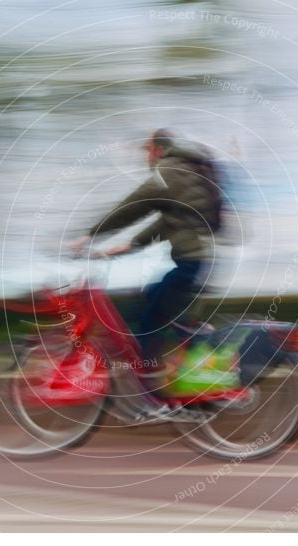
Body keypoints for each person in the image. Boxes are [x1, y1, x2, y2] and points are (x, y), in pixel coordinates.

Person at [70, 128, 224, 419]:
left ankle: (152, 400)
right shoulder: (186, 172)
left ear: (157, 149)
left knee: (149, 324)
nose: (145, 157)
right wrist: (129, 245)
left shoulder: (169, 170)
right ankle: (191, 378)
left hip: (190, 262)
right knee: (153, 297)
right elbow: (169, 222)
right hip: (196, 260)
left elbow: (134, 205)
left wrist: (90, 235)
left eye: (146, 150)